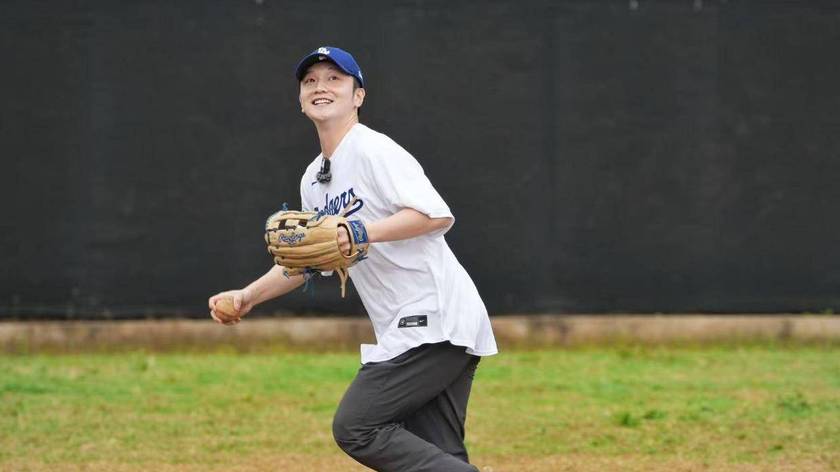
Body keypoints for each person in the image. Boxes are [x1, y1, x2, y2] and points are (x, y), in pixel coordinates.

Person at [208, 46, 497, 472]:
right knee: (439, 455)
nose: (320, 87)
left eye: (334, 79)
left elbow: (433, 214)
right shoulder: (314, 179)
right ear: (300, 99)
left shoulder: (374, 150)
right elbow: (310, 259)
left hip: (434, 316)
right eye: (310, 81)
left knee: (357, 427)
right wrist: (249, 296)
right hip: (416, 323)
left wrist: (362, 231)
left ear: (358, 96)